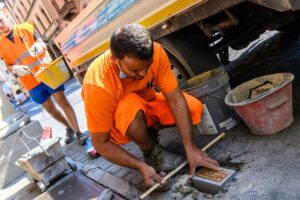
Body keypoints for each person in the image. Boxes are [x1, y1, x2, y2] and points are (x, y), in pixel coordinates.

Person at [82, 24, 220, 187]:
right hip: (121, 124)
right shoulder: (97, 84)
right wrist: (140, 166)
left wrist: (191, 148)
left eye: (147, 67)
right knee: (129, 106)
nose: (143, 74)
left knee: (194, 107)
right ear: (115, 60)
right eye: (135, 70)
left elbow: (175, 99)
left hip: (147, 104)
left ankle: (149, 131)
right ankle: (151, 152)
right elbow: (100, 144)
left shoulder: (157, 52)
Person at [0, 12, 87, 145]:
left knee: (62, 102)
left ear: (6, 17)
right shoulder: (0, 45)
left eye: (1, 20)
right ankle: (68, 127)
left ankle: (78, 132)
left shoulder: (26, 28)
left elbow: (41, 42)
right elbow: (9, 65)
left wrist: (39, 46)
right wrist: (15, 69)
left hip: (46, 72)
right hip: (30, 82)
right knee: (51, 111)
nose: (0, 25)